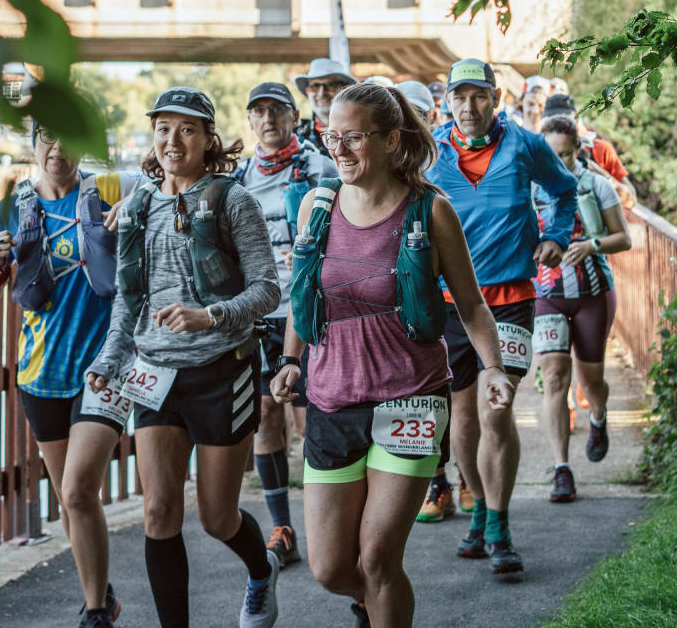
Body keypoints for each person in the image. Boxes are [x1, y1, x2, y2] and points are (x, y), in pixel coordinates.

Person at [269, 82, 514, 628]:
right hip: (332, 399)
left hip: (411, 398)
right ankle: (375, 604)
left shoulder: (430, 211)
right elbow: (303, 295)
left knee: (379, 558)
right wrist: (290, 360)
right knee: (331, 569)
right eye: (332, 137)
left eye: (353, 138)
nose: (339, 149)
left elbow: (471, 304)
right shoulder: (316, 206)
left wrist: (494, 368)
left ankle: (382, 604)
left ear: (390, 140)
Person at [86, 87, 282, 628]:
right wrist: (108, 360)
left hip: (223, 371)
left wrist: (210, 316)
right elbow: (129, 299)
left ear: (207, 139)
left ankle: (260, 569)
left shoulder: (233, 201)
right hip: (155, 374)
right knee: (159, 511)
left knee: (217, 517)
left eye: (187, 129)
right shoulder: (139, 205)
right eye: (163, 128)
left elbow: (267, 290)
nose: (173, 140)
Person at [0, 125, 139, 628]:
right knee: (70, 497)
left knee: (78, 491)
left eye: (66, 136)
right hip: (40, 371)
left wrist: (132, 212)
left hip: (105, 367)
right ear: (33, 144)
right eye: (46, 136)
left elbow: (164, 185)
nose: (57, 148)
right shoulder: (10, 208)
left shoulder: (113, 187)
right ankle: (100, 592)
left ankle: (95, 613)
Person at [416, 58, 577, 576]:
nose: (469, 107)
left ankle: (500, 528)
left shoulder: (525, 145)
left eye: (479, 96)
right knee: (461, 419)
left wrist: (555, 236)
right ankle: (481, 509)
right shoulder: (430, 153)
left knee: (495, 410)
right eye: (459, 97)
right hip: (448, 303)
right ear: (447, 102)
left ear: (496, 99)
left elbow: (565, 190)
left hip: (509, 298)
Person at [234, 81, 336, 568]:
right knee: (265, 417)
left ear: (295, 117)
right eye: (259, 111)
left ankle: (327, 525)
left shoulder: (319, 167)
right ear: (250, 121)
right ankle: (283, 528)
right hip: (258, 315)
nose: (269, 119)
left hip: (307, 311)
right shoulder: (238, 177)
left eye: (277, 110)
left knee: (309, 419)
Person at [532, 116, 632, 503]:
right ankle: (561, 468)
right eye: (549, 155)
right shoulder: (528, 188)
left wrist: (591, 245)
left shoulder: (595, 185)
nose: (556, 163)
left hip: (593, 292)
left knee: (591, 383)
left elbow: (623, 238)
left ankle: (598, 415)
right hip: (546, 293)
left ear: (577, 150)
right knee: (555, 376)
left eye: (564, 155)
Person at [542, 94, 637, 208]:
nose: (559, 126)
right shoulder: (538, 153)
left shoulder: (600, 149)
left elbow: (630, 202)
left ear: (576, 117)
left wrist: (600, 173)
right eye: (553, 121)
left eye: (564, 118)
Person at [294, 58, 355, 151]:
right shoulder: (297, 137)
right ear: (307, 91)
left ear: (345, 90)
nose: (321, 93)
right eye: (315, 86)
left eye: (331, 85)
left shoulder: (361, 131)